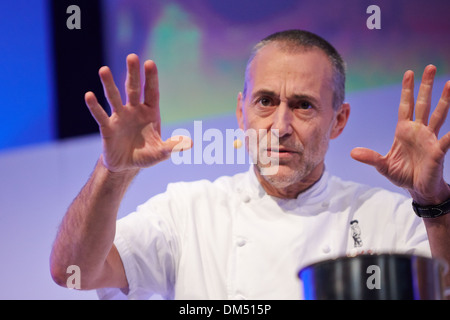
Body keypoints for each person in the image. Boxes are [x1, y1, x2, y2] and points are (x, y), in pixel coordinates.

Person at [50, 29, 450, 300]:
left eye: (303, 106)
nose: (280, 126)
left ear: (338, 120)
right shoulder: (187, 212)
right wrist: (113, 171)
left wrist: (433, 201)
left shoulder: (389, 217)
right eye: (265, 102)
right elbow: (74, 272)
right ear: (241, 113)